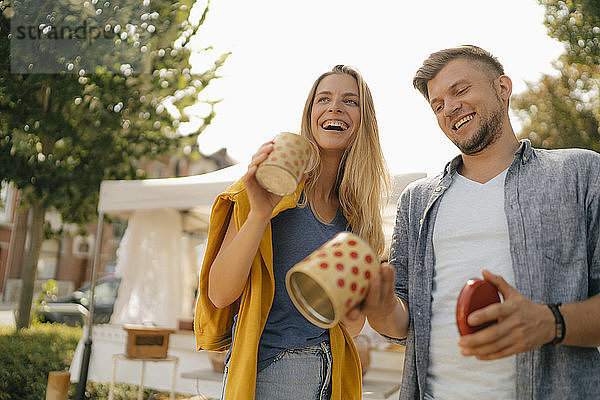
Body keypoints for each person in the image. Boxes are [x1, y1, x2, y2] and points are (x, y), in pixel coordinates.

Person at [356, 45, 600, 399]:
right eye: (437, 104)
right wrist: (380, 311)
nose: (449, 107)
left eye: (461, 90)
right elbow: (400, 324)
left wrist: (549, 323)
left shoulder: (580, 173)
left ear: (502, 88)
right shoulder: (416, 200)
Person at [194, 65, 390, 400]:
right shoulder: (266, 188)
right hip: (271, 371)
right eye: (323, 99)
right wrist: (260, 212)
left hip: (334, 374)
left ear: (364, 120)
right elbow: (220, 294)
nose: (334, 107)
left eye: (350, 101)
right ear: (310, 113)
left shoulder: (357, 215)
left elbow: (350, 326)